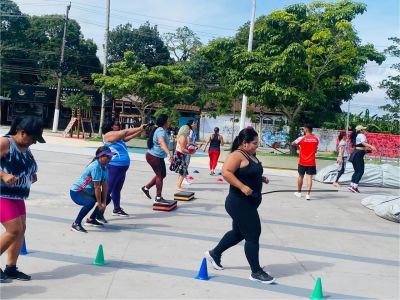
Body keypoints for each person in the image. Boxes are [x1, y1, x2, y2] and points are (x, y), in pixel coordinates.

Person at [204, 128, 274, 283]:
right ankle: (255, 272)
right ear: (245, 143)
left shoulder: (250, 154)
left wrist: (260, 178)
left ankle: (214, 254)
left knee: (238, 233)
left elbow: (247, 172)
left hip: (249, 202)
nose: (257, 145)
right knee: (253, 234)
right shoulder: (237, 155)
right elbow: (226, 172)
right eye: (254, 143)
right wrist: (242, 187)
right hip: (238, 202)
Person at [0, 116, 46, 282]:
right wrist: (3, 174)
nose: (34, 143)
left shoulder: (25, 146)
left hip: (18, 196)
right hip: (2, 195)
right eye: (33, 138)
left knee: (21, 230)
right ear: (22, 132)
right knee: (13, 230)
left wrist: (31, 174)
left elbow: (26, 165)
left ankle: (11, 268)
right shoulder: (5, 143)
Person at [102, 119, 146, 218]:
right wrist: (140, 127)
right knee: (107, 191)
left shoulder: (118, 137)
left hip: (121, 168)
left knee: (117, 189)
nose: (118, 125)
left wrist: (140, 131)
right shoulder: (108, 135)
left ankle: (116, 209)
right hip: (114, 166)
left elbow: (128, 137)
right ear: (111, 126)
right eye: (116, 124)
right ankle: (97, 214)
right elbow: (125, 132)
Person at [70, 146, 114, 233]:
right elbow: (97, 187)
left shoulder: (104, 167)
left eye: (111, 156)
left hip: (89, 192)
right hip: (77, 192)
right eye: (108, 156)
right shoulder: (95, 167)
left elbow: (105, 185)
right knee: (90, 203)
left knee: (108, 198)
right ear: (100, 156)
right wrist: (100, 204)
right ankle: (76, 224)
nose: (110, 158)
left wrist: (104, 202)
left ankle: (91, 219)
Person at [141, 114, 172, 203]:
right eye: (168, 121)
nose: (169, 122)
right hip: (154, 156)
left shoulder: (160, 130)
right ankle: (158, 197)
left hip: (156, 156)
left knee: (162, 175)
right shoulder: (161, 131)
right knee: (160, 176)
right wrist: (168, 154)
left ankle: (146, 188)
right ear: (164, 122)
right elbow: (161, 142)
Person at [291, 124, 319, 200]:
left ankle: (299, 193)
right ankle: (308, 195)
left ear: (306, 129)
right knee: (309, 177)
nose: (304, 130)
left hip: (302, 161)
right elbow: (315, 150)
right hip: (311, 162)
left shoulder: (301, 138)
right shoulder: (316, 139)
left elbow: (293, 143)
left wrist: (299, 146)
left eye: (304, 129)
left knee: (300, 176)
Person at [348, 125, 376, 193]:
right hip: (358, 155)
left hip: (355, 153)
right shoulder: (361, 135)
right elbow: (363, 143)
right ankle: (354, 187)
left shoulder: (357, 136)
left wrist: (367, 150)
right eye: (363, 129)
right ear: (361, 130)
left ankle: (352, 185)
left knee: (357, 171)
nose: (364, 130)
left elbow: (360, 146)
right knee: (360, 171)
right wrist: (371, 146)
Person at [174, 124, 192, 191]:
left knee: (181, 171)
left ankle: (179, 185)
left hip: (180, 154)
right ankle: (178, 186)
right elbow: (182, 149)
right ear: (185, 130)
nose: (190, 130)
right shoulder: (183, 137)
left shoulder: (184, 137)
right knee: (183, 171)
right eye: (188, 129)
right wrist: (191, 152)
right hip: (180, 155)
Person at [183, 120, 200, 185]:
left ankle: (184, 178)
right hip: (187, 150)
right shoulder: (190, 131)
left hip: (188, 149)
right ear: (191, 124)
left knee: (185, 164)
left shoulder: (191, 131)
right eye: (194, 123)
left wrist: (195, 144)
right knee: (186, 164)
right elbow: (188, 141)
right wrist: (195, 145)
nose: (195, 124)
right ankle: (184, 178)